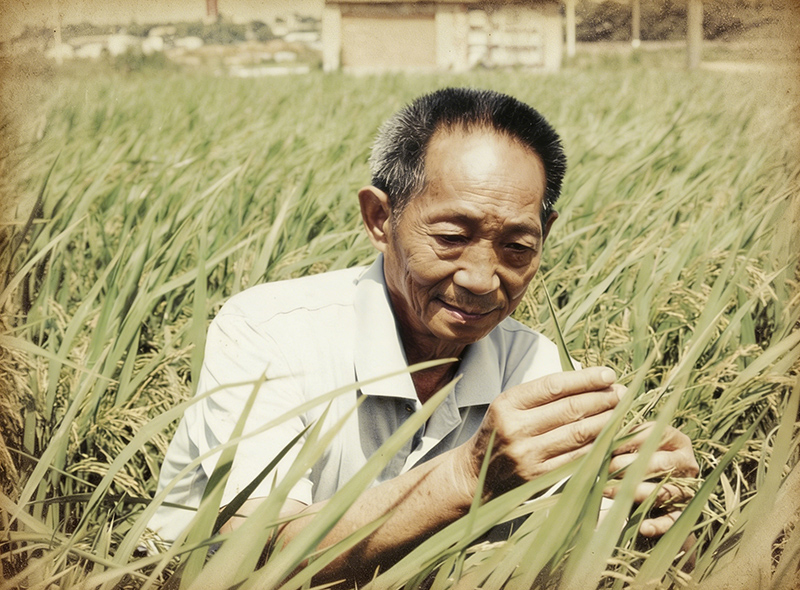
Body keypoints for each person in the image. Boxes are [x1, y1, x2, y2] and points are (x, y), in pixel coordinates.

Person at [149, 88, 698, 585]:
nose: (481, 279)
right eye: (452, 236)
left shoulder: (533, 365)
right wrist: (468, 476)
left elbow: (571, 549)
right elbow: (254, 550)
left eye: (517, 247)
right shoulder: (268, 331)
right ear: (379, 218)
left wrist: (655, 510)